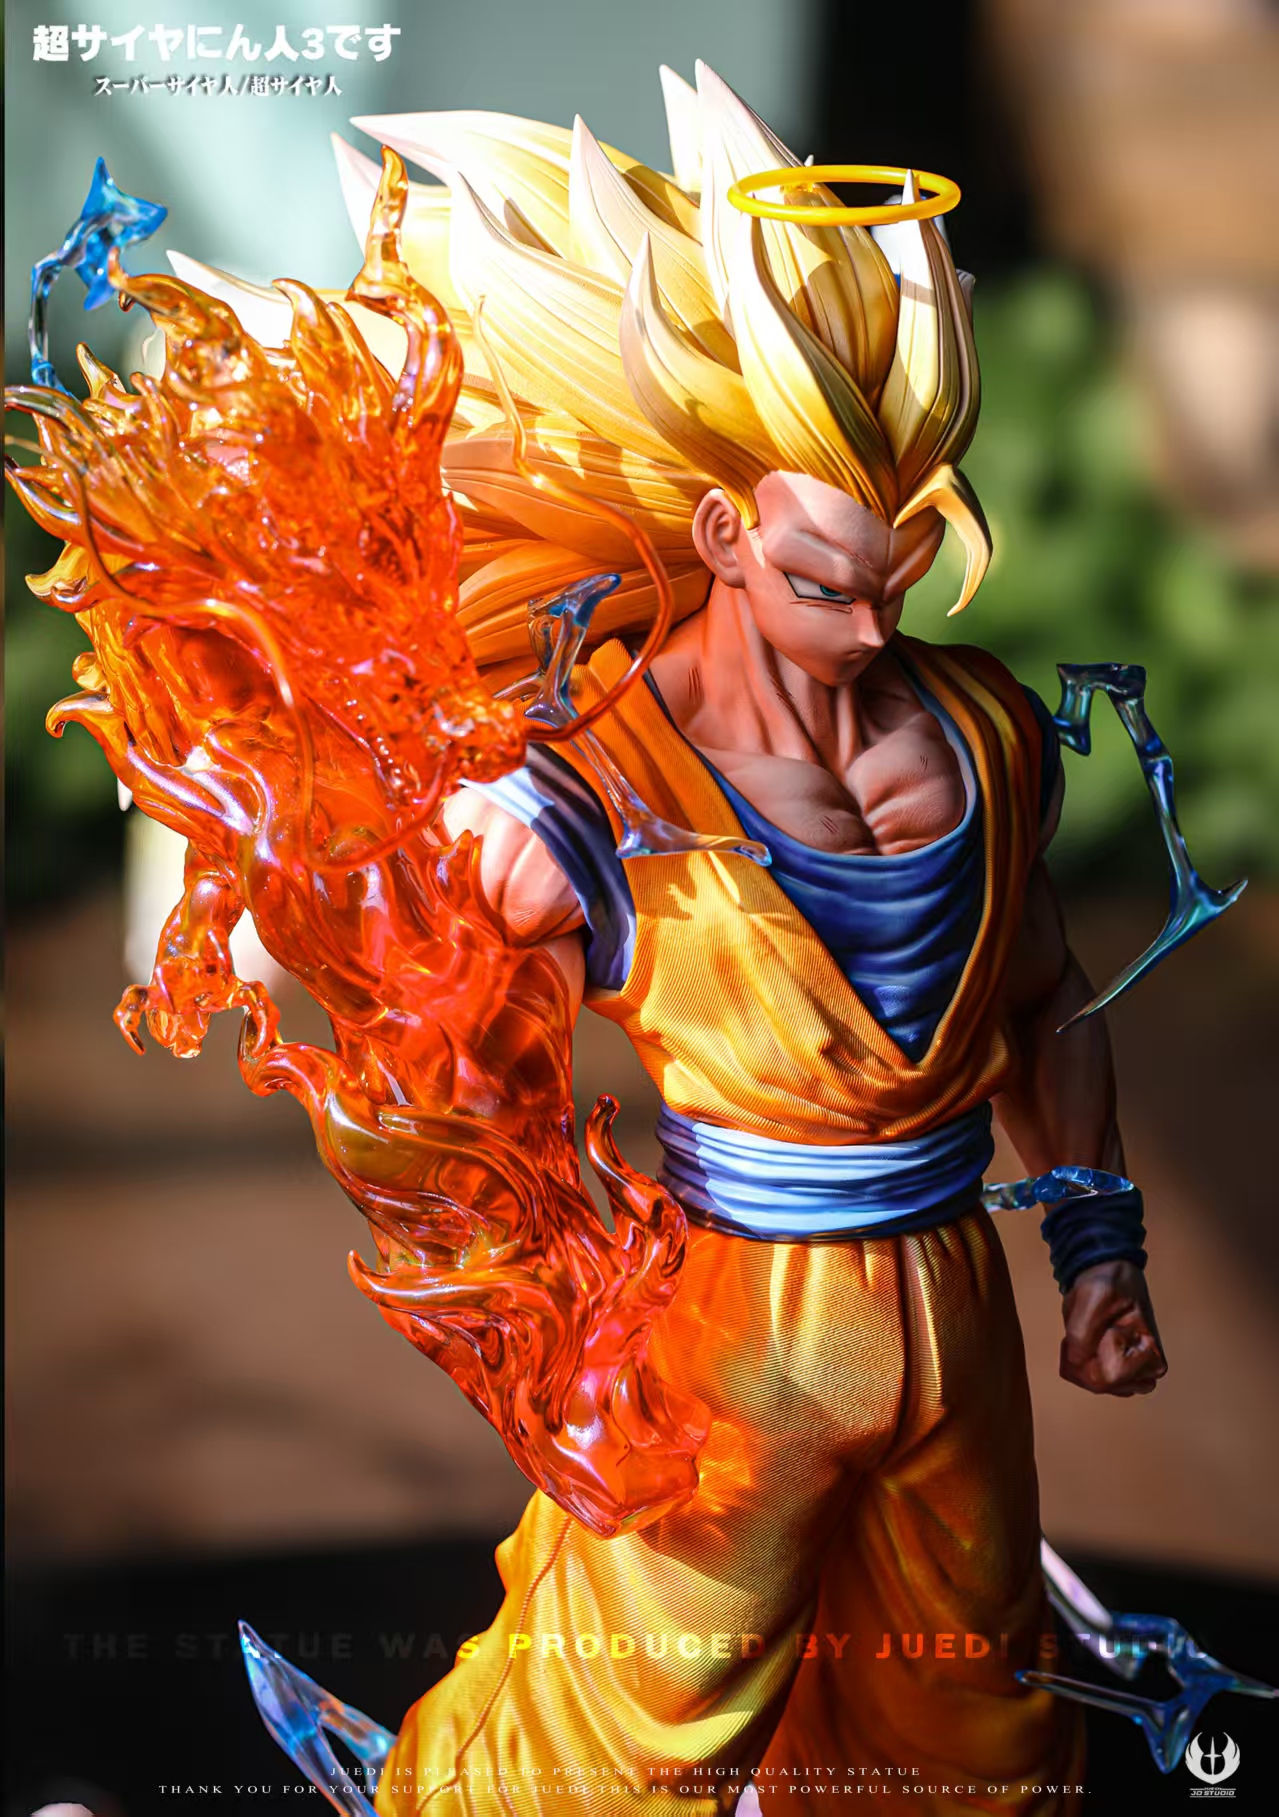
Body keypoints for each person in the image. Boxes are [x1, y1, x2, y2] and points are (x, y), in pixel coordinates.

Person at [303, 64, 1165, 1817]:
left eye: (897, 575)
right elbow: (453, 1067)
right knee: (614, 1739)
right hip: (727, 1335)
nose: (872, 628)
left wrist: (1098, 1245)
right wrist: (550, 1315)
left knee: (976, 1734)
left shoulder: (986, 735)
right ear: (722, 535)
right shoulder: (591, 787)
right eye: (825, 584)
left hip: (955, 1305)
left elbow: (1047, 995)